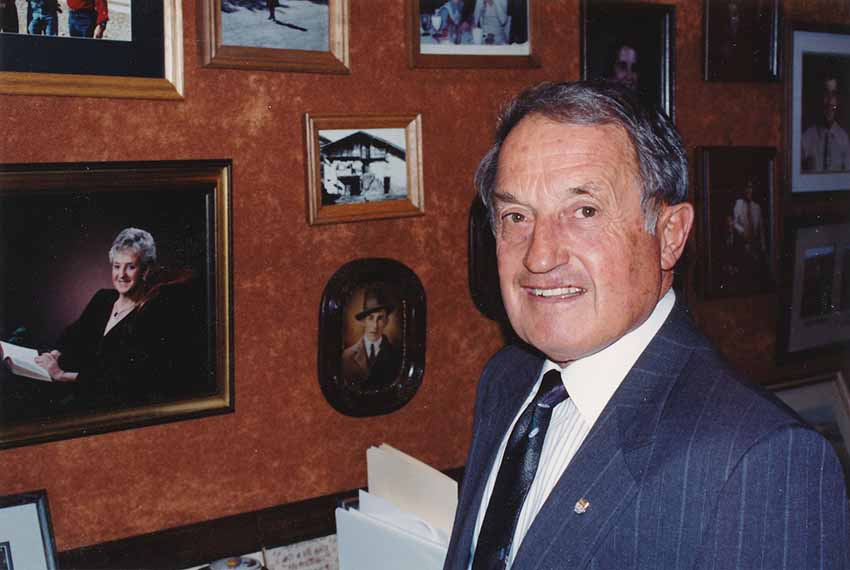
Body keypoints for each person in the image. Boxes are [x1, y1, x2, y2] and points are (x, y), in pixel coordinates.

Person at [443, 81, 849, 569]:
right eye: (516, 217)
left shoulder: (762, 460)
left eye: (584, 211)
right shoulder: (507, 381)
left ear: (670, 235)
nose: (540, 255)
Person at [32, 228, 202, 408]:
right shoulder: (103, 298)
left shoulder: (150, 315)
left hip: (114, 405)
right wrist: (53, 355)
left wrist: (61, 375)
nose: (121, 275)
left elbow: (122, 377)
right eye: (116, 266)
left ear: (146, 270)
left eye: (131, 266)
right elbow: (73, 334)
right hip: (79, 394)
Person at [341, 287, 401, 389]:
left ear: (386, 321)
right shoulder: (347, 356)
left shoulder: (397, 356)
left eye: (380, 318)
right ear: (364, 321)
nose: (375, 326)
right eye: (370, 318)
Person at [802, 72, 850, 172]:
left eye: (834, 95)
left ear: (838, 100)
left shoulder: (845, 140)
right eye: (826, 94)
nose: (830, 101)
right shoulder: (806, 138)